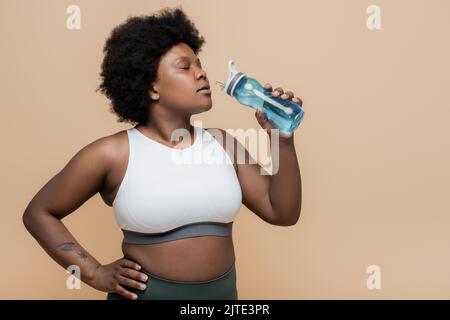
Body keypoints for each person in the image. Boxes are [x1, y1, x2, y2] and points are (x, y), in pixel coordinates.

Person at [22, 6, 303, 300]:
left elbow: (282, 212)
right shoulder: (112, 154)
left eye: (199, 64)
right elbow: (39, 213)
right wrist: (92, 272)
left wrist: (280, 138)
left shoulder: (223, 144)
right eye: (185, 67)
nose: (201, 73)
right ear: (152, 87)